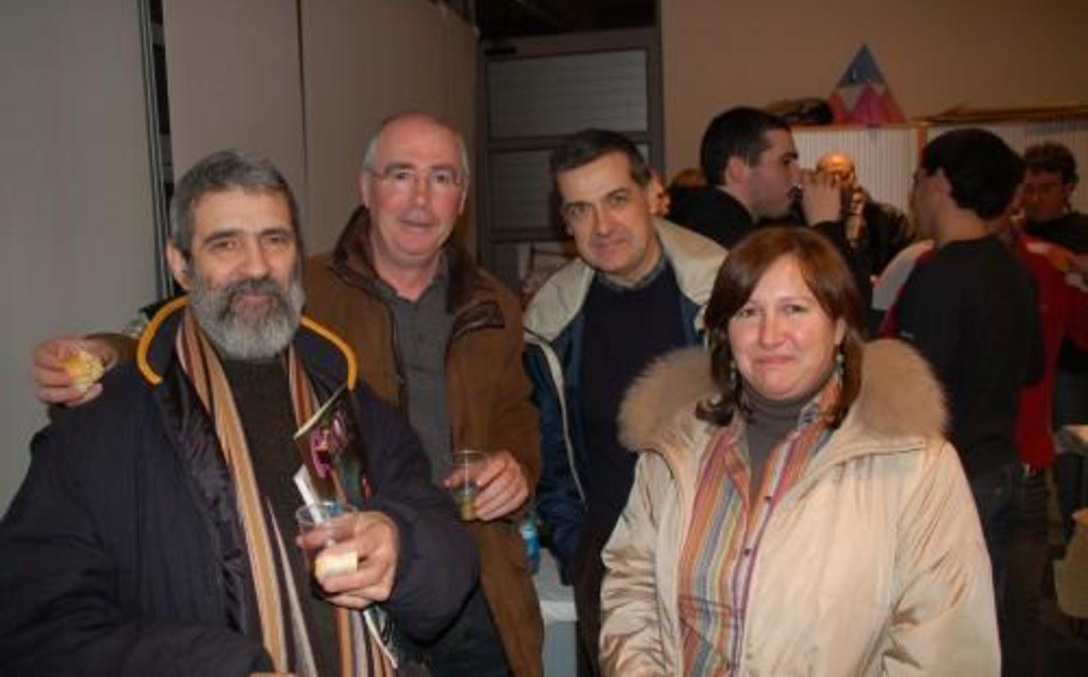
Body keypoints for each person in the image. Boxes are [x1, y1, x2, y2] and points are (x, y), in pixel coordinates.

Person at [32, 113, 544, 677]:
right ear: (180, 263)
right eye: (226, 243)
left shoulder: (364, 383)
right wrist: (107, 356)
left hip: (456, 603)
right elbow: (38, 622)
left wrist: (403, 542)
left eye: (274, 240)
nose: (256, 266)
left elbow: (508, 422)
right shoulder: (104, 433)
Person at [598, 226, 999, 675]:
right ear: (725, 331)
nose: (770, 335)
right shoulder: (676, 448)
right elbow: (633, 587)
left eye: (795, 308)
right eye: (749, 311)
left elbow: (945, 650)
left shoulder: (915, 465)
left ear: (839, 326)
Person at [522, 129, 724, 673]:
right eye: (580, 210)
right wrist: (579, 551)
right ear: (565, 222)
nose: (602, 225)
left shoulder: (725, 294)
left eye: (616, 199)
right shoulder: (551, 322)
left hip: (719, 564)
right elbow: (551, 455)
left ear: (653, 193)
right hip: (610, 575)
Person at [881, 129, 1043, 609]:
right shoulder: (1013, 268)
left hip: (952, 478)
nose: (913, 193)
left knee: (941, 622)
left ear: (940, 182)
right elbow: (1032, 366)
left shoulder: (939, 273)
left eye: (917, 178)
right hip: (1000, 465)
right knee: (984, 619)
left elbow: (911, 391)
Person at [680, 107, 874, 308]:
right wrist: (826, 227)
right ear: (737, 170)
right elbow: (848, 308)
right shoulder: (731, 241)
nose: (797, 175)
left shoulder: (700, 219)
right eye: (785, 162)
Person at [1021, 142, 1088, 543]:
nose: (1035, 198)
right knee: (1061, 460)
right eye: (1029, 189)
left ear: (1069, 188)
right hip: (1046, 363)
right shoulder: (1014, 235)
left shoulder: (1082, 230)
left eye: (1046, 188)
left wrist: (1075, 264)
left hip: (1079, 354)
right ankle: (1068, 542)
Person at [815, 150, 916, 276]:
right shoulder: (807, 217)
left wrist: (882, 279)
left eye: (843, 175)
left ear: (854, 178)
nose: (837, 181)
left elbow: (907, 267)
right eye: (829, 176)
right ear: (817, 180)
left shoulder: (888, 218)